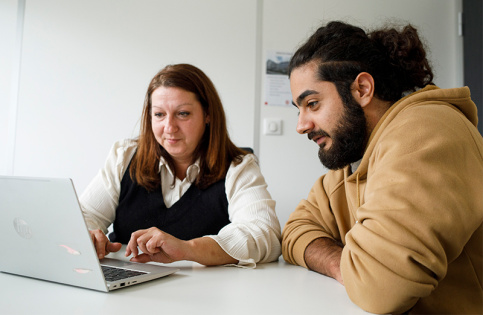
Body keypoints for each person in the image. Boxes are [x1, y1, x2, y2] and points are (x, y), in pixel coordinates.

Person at [282, 21, 483, 314]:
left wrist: (356, 267)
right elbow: (294, 231)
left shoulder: (426, 132)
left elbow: (381, 287)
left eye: (312, 103)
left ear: (362, 89)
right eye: (298, 109)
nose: (301, 126)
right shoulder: (351, 162)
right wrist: (344, 265)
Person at [81, 63, 281, 268]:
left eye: (183, 113)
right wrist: (88, 234)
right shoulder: (124, 156)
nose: (169, 127)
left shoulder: (239, 167)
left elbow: (265, 234)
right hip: (127, 287)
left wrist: (189, 249)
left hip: (203, 293)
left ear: (208, 114)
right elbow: (84, 215)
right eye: (159, 114)